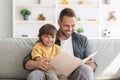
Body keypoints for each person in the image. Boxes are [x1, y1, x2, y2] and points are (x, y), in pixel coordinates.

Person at [23, 8, 97, 80]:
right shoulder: (49, 38)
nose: (70, 29)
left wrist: (90, 64)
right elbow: (26, 62)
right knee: (34, 75)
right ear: (59, 22)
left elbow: (93, 66)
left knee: (86, 69)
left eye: (73, 25)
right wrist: (37, 63)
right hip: (50, 73)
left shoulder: (82, 39)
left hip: (74, 75)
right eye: (66, 26)